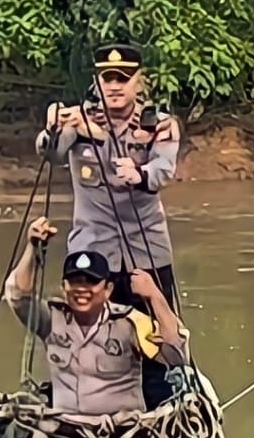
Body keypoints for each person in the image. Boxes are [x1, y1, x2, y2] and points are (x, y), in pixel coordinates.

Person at [35, 40, 183, 405]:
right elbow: (52, 152)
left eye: (123, 78)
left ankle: (159, 408)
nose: (114, 86)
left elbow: (164, 170)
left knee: (156, 340)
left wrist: (140, 173)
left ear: (138, 81)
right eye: (107, 79)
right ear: (97, 82)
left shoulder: (157, 125)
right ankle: (77, 404)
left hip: (146, 249)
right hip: (92, 248)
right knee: (85, 335)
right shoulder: (79, 121)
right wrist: (51, 127)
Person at [3, 216, 187, 417]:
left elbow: (176, 355)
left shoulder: (130, 323)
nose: (82, 289)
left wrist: (154, 295)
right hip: (64, 430)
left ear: (108, 289)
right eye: (75, 282)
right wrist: (32, 248)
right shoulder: (52, 320)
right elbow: (18, 297)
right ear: (64, 288)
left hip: (123, 432)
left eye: (91, 282)